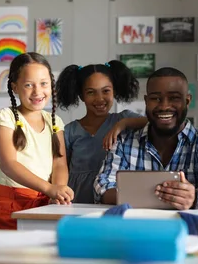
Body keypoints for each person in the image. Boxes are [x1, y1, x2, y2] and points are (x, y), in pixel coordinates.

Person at [94, 67, 198, 209]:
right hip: (134, 228)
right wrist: (148, 198)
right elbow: (103, 186)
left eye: (174, 98)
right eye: (155, 98)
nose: (164, 106)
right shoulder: (123, 144)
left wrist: (195, 197)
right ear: (146, 101)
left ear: (187, 101)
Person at [0, 52, 73, 229]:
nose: (37, 91)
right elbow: (8, 164)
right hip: (12, 203)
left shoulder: (55, 121)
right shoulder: (5, 117)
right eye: (29, 85)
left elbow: (59, 163)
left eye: (44, 84)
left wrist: (57, 191)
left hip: (46, 202)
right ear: (15, 87)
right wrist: (49, 188)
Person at [56, 61, 147, 203]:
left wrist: (122, 124)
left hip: (112, 198)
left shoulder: (124, 118)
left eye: (106, 91)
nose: (99, 99)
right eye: (91, 92)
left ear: (114, 91)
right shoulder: (69, 131)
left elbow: (153, 123)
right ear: (81, 95)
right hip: (77, 200)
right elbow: (60, 168)